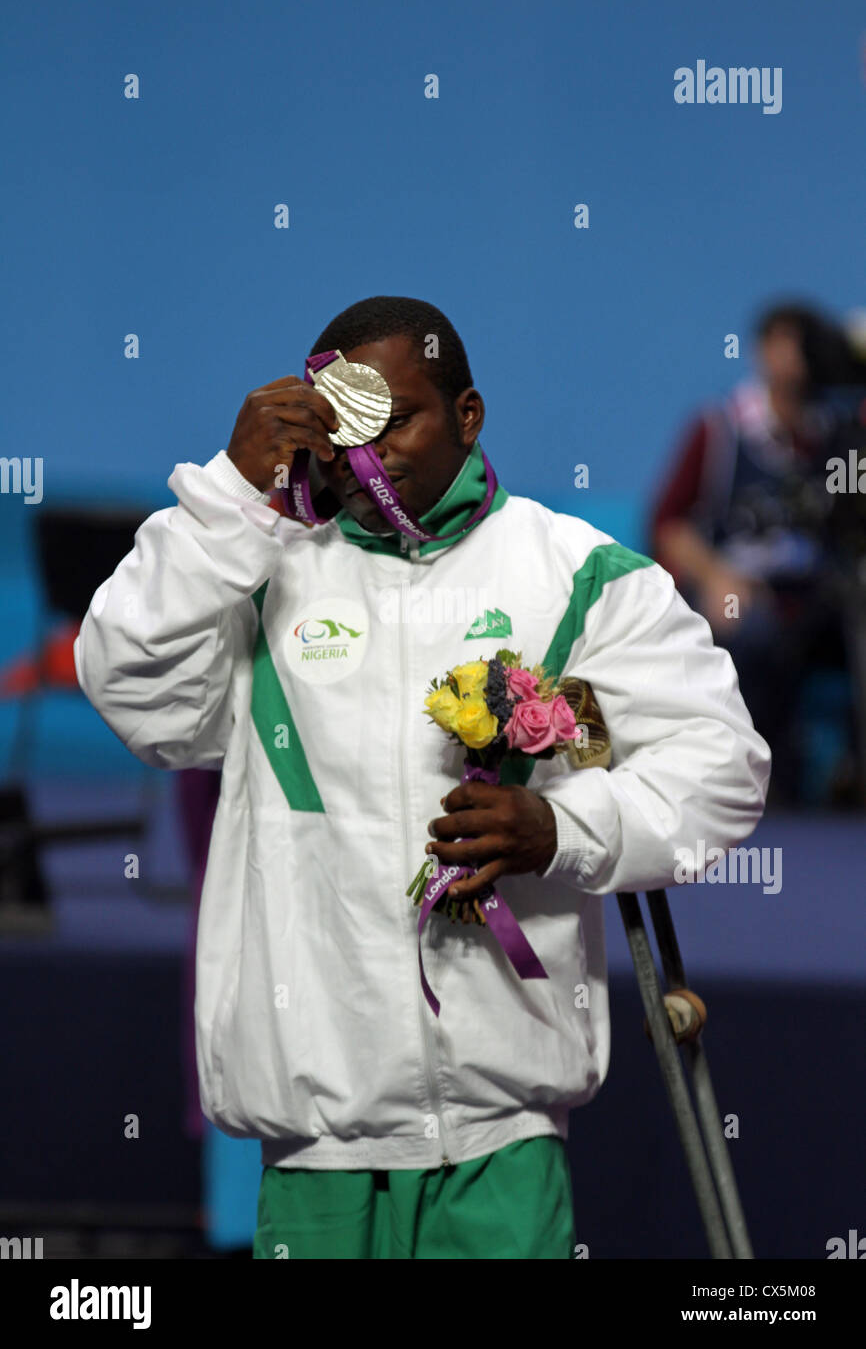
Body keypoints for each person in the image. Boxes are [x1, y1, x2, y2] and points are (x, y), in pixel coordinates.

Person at [73, 296, 769, 1259]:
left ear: (469, 415)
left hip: (503, 1143)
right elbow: (126, 686)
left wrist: (561, 829)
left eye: (399, 420)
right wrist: (230, 495)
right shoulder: (256, 576)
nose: (373, 454)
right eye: (348, 427)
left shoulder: (575, 577)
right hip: (315, 1146)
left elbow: (723, 771)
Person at [650, 301, 866, 806]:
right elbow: (669, 523)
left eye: (809, 347)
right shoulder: (719, 427)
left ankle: (849, 782)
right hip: (742, 592)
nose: (799, 360)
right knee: (752, 630)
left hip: (818, 596)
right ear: (763, 351)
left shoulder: (835, 434)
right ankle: (752, 792)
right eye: (789, 345)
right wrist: (716, 575)